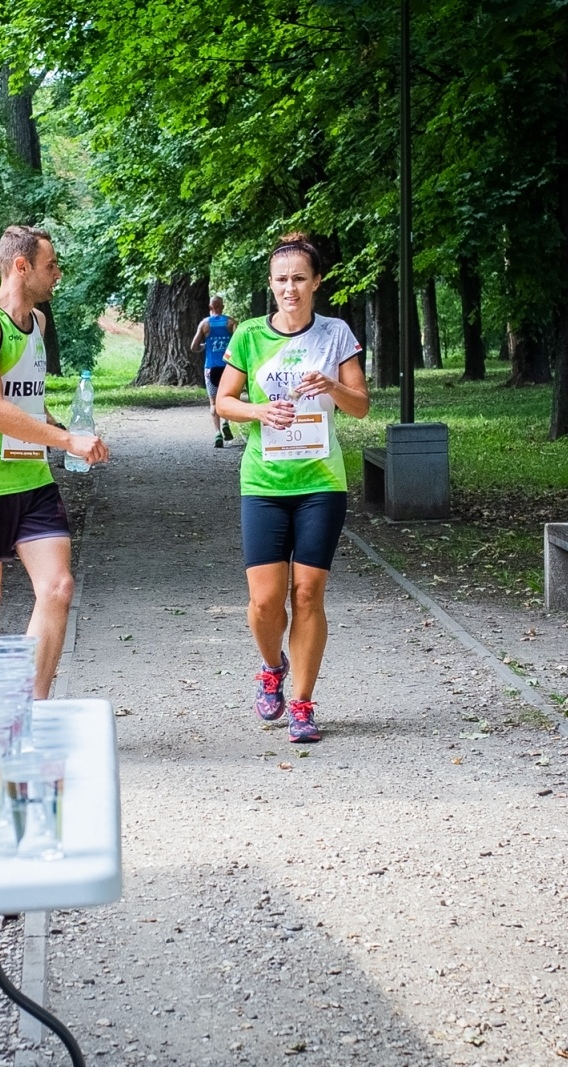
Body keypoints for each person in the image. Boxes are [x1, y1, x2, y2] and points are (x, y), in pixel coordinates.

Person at [214, 232, 370, 743]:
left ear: (316, 282)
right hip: (263, 481)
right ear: (271, 285)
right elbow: (224, 402)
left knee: (307, 594)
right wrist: (259, 410)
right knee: (264, 602)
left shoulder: (336, 335)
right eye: (281, 280)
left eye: (299, 279)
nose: (290, 288)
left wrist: (333, 387)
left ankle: (302, 703)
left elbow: (361, 406)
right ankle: (271, 666)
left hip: (322, 482)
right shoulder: (251, 337)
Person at [0, 224, 108, 698]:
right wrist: (64, 441)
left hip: (32, 481)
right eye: (51, 265)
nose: (57, 274)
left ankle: (34, 709)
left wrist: (71, 431)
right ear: (22, 266)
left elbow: (27, 405)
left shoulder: (37, 322)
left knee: (58, 588)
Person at [190, 296, 238, 447]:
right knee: (228, 398)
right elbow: (237, 345)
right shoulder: (231, 323)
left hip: (211, 367)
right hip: (228, 367)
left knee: (213, 402)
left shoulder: (205, 324)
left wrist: (205, 347)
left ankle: (217, 433)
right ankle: (226, 422)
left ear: (210, 307)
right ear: (222, 307)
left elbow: (193, 347)